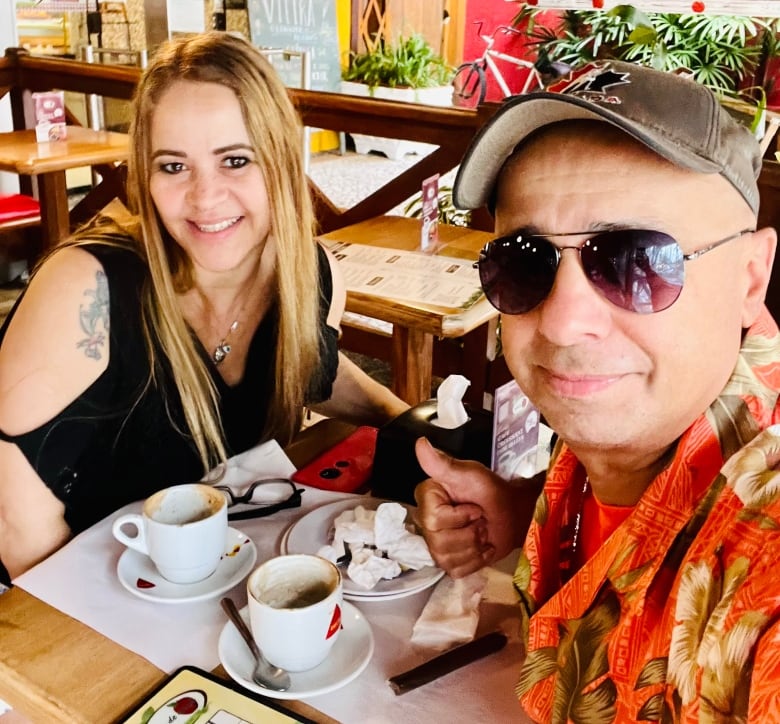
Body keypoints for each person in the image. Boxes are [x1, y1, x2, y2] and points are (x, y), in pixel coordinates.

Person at [415, 60, 780, 720]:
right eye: (525, 262)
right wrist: (526, 509)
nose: (561, 319)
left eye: (637, 261)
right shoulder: (641, 412)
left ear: (750, 278)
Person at [0, 31, 408, 584]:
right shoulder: (86, 291)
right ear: (145, 175)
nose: (205, 197)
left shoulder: (311, 276)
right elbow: (15, 529)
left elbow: (313, 363)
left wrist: (406, 424)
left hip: (209, 574)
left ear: (283, 162)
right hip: (70, 599)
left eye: (235, 160)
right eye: (173, 166)